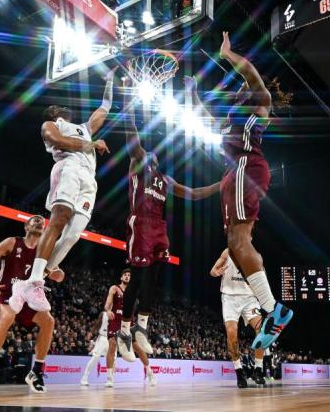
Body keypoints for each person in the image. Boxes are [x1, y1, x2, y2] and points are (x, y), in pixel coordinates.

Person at [189, 32, 293, 351]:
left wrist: (226, 54)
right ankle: (273, 309)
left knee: (238, 241)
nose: (236, 91)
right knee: (236, 247)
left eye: (239, 88)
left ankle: (274, 309)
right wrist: (192, 94)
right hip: (237, 174)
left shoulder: (260, 104)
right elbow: (206, 119)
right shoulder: (232, 123)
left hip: (246, 170)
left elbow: (249, 71)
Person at [115, 77, 220, 362]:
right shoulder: (137, 164)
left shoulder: (165, 179)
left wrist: (221, 185)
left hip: (159, 227)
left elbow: (196, 194)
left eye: (154, 155)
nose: (152, 155)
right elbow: (131, 131)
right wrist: (127, 100)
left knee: (155, 275)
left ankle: (142, 328)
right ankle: (123, 330)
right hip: (140, 222)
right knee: (137, 277)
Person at [10, 68, 116, 312]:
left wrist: (109, 82)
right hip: (68, 168)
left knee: (72, 235)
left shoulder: (84, 127)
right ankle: (35, 279)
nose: (63, 107)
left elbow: (105, 107)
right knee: (59, 221)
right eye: (58, 106)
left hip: (89, 179)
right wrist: (91, 144)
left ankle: (32, 282)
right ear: (55, 113)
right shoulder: (51, 124)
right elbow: (59, 141)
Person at [0, 215, 61, 393]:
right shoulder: (12, 242)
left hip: (28, 296)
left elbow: (59, 274)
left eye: (41, 221)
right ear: (26, 226)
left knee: (49, 321)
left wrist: (57, 274)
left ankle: (36, 372)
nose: (38, 221)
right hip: (6, 292)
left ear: (44, 229)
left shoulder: (44, 250)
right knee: (8, 316)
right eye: (33, 220)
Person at [210, 248, 266, 388]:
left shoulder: (255, 256)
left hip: (249, 298)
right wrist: (216, 272)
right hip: (230, 298)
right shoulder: (227, 252)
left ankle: (258, 369)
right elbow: (212, 271)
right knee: (231, 332)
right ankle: (239, 371)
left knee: (262, 329)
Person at [89, 270, 156, 387]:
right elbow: (107, 303)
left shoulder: (135, 291)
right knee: (112, 345)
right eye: (125, 274)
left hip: (129, 322)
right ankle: (109, 378)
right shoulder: (114, 288)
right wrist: (108, 310)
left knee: (138, 349)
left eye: (130, 275)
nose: (127, 276)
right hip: (115, 321)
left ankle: (150, 373)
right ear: (121, 277)